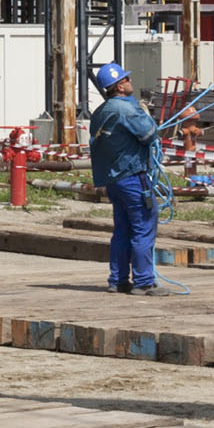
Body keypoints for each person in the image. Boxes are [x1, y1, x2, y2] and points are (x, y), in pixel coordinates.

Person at [86, 61, 167, 294]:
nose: (130, 82)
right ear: (119, 86)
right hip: (133, 177)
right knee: (143, 227)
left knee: (122, 230)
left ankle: (118, 280)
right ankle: (143, 282)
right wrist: (144, 112)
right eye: (126, 79)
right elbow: (150, 134)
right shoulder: (127, 109)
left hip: (113, 180)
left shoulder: (100, 112)